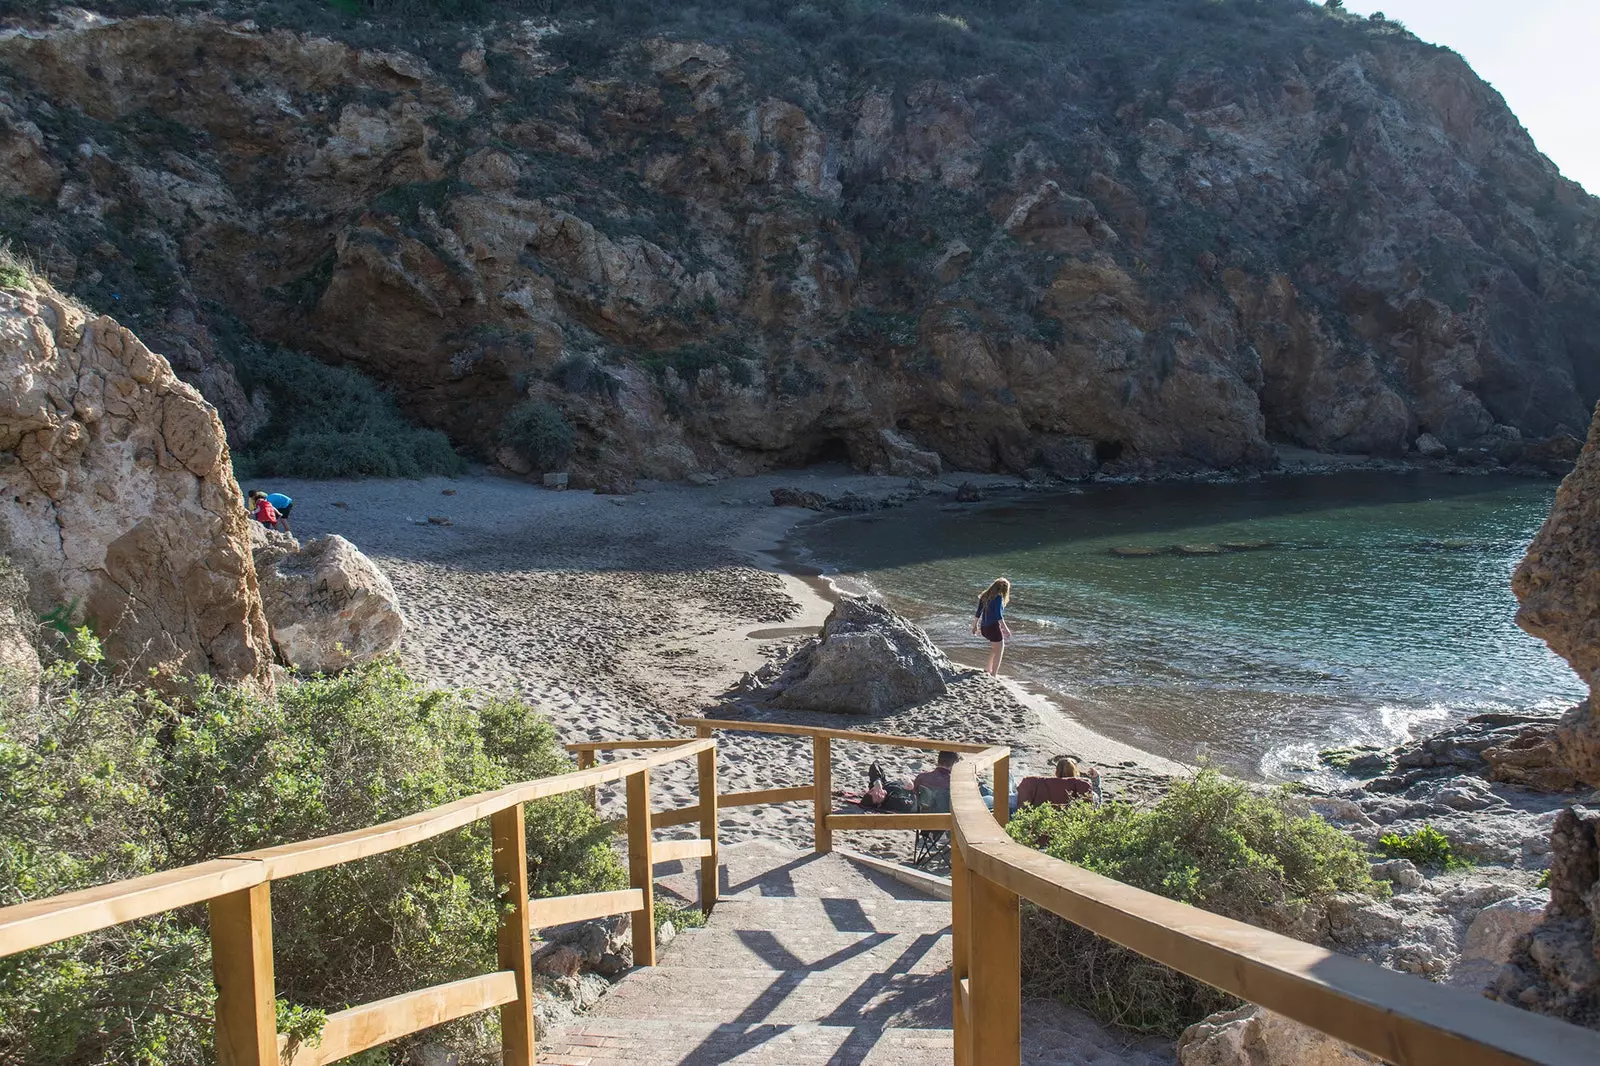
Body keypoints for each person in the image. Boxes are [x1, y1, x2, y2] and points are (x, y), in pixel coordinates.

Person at [1015, 756, 1101, 811]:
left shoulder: (1036, 784)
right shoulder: (1082, 787)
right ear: (1076, 772)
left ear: (1056, 772)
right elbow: (1097, 805)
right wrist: (1096, 781)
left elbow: (1020, 804)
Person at [971, 577, 1013, 675]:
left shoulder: (985, 596)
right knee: (1000, 649)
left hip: (984, 628)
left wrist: (974, 626)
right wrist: (1006, 629)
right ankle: (994, 674)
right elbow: (999, 616)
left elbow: (978, 613)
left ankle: (987, 669)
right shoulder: (998, 598)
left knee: (995, 648)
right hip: (993, 628)